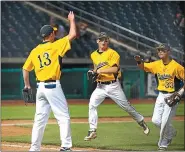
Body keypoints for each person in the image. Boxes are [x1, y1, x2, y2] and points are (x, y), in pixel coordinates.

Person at [22, 11, 76, 151]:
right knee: (63, 116)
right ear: (51, 35)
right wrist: (71, 20)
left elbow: (25, 69)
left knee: (39, 121)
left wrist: (27, 85)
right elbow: (72, 35)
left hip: (40, 88)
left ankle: (34, 148)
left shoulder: (35, 50)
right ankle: (65, 146)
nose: (55, 34)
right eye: (54, 33)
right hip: (53, 86)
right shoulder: (56, 45)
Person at [84, 32, 150, 141]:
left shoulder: (113, 53)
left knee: (126, 107)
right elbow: (96, 68)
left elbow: (115, 69)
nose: (103, 42)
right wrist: (94, 72)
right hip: (100, 86)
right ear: (97, 41)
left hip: (113, 86)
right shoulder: (93, 54)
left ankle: (141, 121)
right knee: (92, 105)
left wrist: (99, 71)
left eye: (105, 40)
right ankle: (92, 130)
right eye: (101, 40)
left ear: (108, 41)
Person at [134, 43, 185, 151]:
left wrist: (181, 92)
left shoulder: (176, 66)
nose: (160, 52)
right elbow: (143, 66)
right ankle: (171, 133)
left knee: (165, 122)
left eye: (163, 50)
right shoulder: (156, 64)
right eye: (159, 50)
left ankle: (163, 143)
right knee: (156, 120)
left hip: (172, 96)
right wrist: (139, 61)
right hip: (161, 96)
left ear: (169, 52)